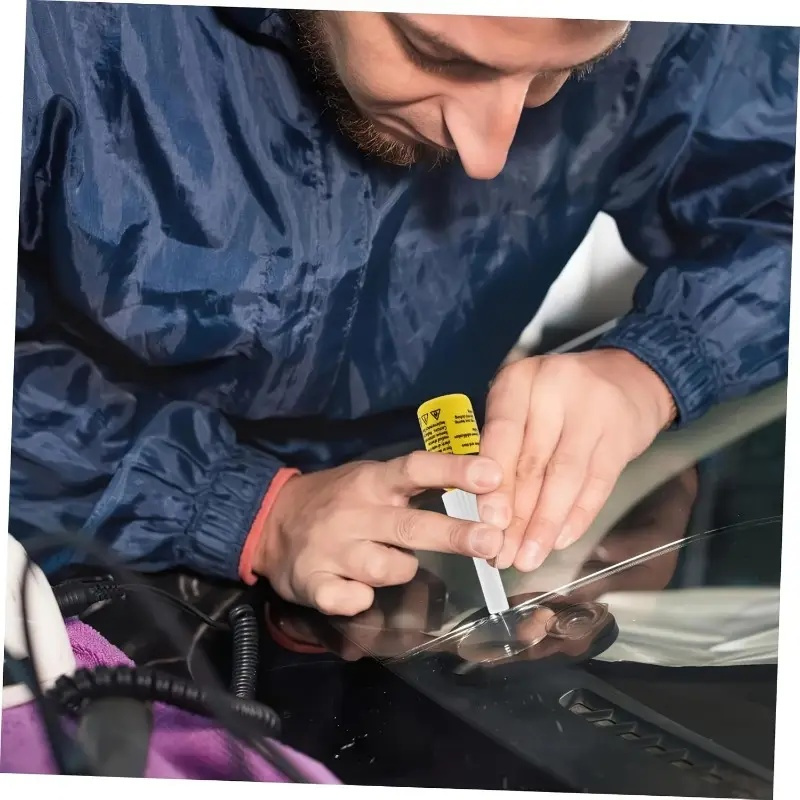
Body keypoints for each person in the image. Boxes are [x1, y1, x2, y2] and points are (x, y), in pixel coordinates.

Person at [14, 4, 796, 617]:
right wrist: (247, 508)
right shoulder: (59, 32)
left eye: (563, 75)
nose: (488, 151)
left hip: (402, 566)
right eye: (440, 55)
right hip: (71, 559)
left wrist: (656, 368)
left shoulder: (672, 27)